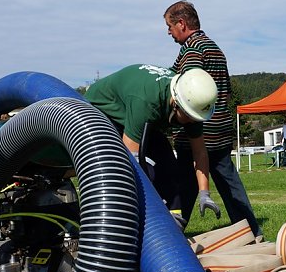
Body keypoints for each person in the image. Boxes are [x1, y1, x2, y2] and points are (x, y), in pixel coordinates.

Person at [164, 0, 262, 237]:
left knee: (184, 186)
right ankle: (251, 231)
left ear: (182, 23)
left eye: (169, 26)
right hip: (220, 127)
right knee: (229, 184)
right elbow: (225, 92)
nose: (168, 32)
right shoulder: (215, 48)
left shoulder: (192, 49)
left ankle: (172, 235)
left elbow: (189, 89)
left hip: (197, 130)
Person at [85, 64, 220, 228]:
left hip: (138, 113)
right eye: (189, 117)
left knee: (169, 166)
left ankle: (172, 224)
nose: (192, 122)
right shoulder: (146, 101)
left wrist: (204, 193)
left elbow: (200, 153)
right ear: (176, 103)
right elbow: (131, 161)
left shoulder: (191, 104)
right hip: (101, 112)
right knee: (141, 173)